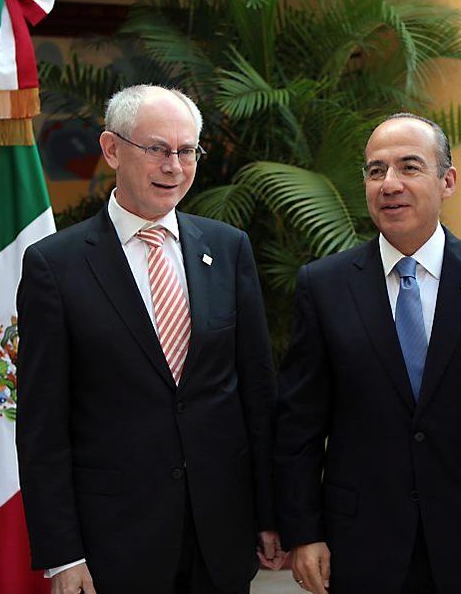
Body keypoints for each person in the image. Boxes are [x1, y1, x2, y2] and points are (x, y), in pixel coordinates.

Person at [274, 114, 461, 594]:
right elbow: (298, 424)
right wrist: (305, 533)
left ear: (446, 180)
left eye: (409, 167)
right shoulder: (323, 287)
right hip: (360, 543)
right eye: (375, 171)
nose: (390, 185)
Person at [16, 85, 282, 594]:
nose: (174, 166)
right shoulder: (56, 265)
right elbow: (42, 425)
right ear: (113, 149)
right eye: (157, 149)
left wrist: (271, 514)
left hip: (220, 534)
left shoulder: (228, 249)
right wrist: (63, 554)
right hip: (115, 541)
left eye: (187, 151)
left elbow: (256, 394)